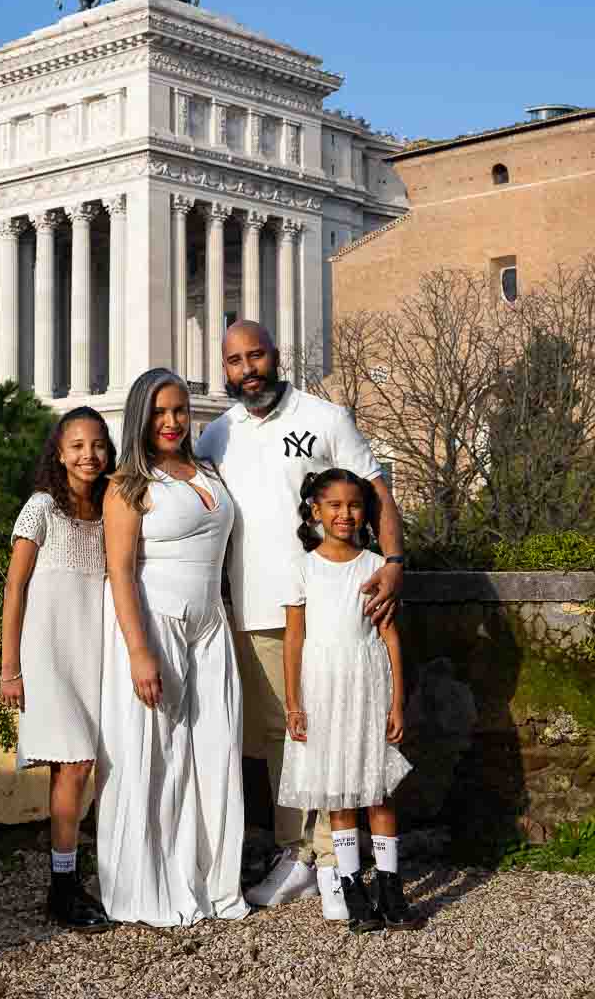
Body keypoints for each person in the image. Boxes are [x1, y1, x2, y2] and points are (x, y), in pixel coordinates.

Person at [195, 320, 404, 918]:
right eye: (234, 360)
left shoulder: (326, 416)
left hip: (333, 609)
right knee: (280, 737)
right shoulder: (218, 436)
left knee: (328, 732)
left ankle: (325, 860)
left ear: (275, 356)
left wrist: (393, 562)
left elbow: (378, 492)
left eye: (254, 355)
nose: (246, 369)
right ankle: (304, 854)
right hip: (253, 606)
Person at [97, 368, 249, 927]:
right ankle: (149, 886)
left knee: (216, 749)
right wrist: (140, 653)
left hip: (211, 624)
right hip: (153, 621)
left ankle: (213, 882)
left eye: (180, 410)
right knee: (154, 754)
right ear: (141, 415)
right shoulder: (127, 485)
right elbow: (118, 572)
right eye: (160, 411)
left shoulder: (207, 469)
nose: (171, 421)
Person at [279, 469, 419, 933]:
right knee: (339, 792)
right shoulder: (302, 566)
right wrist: (293, 703)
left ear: (365, 512)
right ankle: (350, 884)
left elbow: (390, 638)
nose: (345, 514)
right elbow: (294, 639)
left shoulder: (374, 565)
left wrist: (397, 703)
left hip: (368, 685)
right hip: (322, 689)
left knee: (377, 790)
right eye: (334, 505)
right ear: (316, 511)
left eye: (354, 505)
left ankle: (390, 886)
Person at [1, 407, 116, 933]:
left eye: (97, 445)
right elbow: (15, 587)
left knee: (91, 767)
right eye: (76, 446)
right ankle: (63, 887)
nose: (88, 455)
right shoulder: (40, 508)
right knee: (71, 764)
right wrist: (10, 669)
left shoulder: (112, 508)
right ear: (59, 452)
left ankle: (83, 878)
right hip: (49, 655)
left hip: (97, 651)